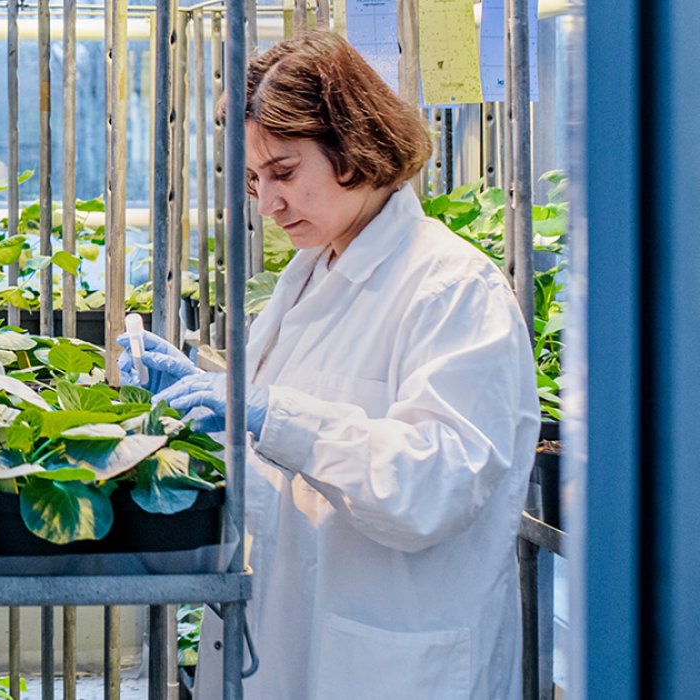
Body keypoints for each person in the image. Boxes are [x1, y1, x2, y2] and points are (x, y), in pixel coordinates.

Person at [119, 32, 537, 699]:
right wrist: (206, 423)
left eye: (283, 173)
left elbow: (434, 486)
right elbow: (284, 482)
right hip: (294, 633)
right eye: (254, 180)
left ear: (354, 144)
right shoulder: (313, 273)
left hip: (395, 660)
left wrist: (269, 412)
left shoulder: (452, 288)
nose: (267, 204)